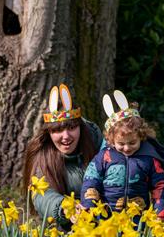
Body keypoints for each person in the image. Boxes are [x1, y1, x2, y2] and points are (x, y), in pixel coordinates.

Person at [80, 90, 164, 222]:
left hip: (137, 217)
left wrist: (161, 213)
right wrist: (88, 206)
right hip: (107, 216)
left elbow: (159, 186)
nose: (127, 148)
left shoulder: (149, 158)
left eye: (132, 142)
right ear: (111, 140)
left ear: (141, 136)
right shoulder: (104, 156)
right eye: (121, 143)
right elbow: (91, 181)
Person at [22, 84, 103, 230]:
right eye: (58, 130)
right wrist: (64, 208)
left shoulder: (97, 143)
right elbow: (43, 195)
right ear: (49, 132)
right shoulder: (43, 156)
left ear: (80, 127)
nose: (66, 136)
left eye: (71, 128)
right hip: (65, 228)